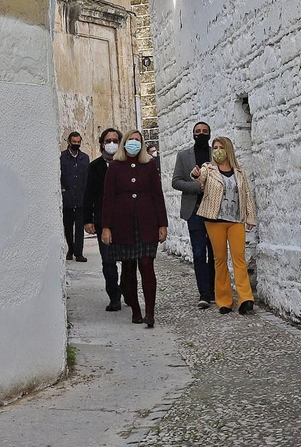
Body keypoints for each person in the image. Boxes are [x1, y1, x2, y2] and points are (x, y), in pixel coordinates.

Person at [100, 130, 168, 327]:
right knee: (129, 269)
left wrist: (162, 224)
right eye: (131, 140)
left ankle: (150, 312)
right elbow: (108, 199)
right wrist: (106, 227)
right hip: (122, 225)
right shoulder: (114, 167)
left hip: (147, 223)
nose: (134, 143)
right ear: (124, 143)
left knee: (147, 265)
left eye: (138, 140)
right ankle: (136, 310)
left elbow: (157, 195)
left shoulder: (149, 165)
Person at [194, 136, 258, 314]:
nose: (218, 151)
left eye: (221, 147)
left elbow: (246, 193)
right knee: (220, 260)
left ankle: (245, 298)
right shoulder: (209, 168)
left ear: (228, 150)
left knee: (239, 259)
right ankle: (224, 300)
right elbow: (200, 179)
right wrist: (197, 174)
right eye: (215, 148)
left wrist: (250, 217)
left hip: (236, 220)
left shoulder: (239, 171)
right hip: (215, 221)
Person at [170, 121, 217, 307]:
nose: (201, 134)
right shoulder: (183, 155)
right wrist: (197, 187)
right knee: (199, 252)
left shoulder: (217, 153)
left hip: (215, 210)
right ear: (193, 134)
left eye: (205, 131)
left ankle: (215, 290)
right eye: (198, 131)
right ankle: (204, 292)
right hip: (195, 210)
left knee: (216, 252)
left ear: (210, 134)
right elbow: (176, 181)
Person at [82, 127, 123, 311]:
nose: (112, 144)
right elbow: (88, 194)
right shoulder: (95, 167)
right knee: (108, 260)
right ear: (102, 144)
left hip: (125, 219)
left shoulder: (126, 165)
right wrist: (87, 219)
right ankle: (114, 296)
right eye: (108, 141)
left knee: (129, 261)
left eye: (115, 140)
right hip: (102, 220)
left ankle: (128, 292)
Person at [60, 131, 90, 261]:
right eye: (74, 142)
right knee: (68, 226)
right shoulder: (61, 157)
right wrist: (63, 190)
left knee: (79, 227)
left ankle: (78, 252)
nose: (77, 144)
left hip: (81, 197)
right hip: (67, 197)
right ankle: (70, 248)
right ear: (69, 142)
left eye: (79, 142)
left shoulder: (84, 158)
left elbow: (87, 176)